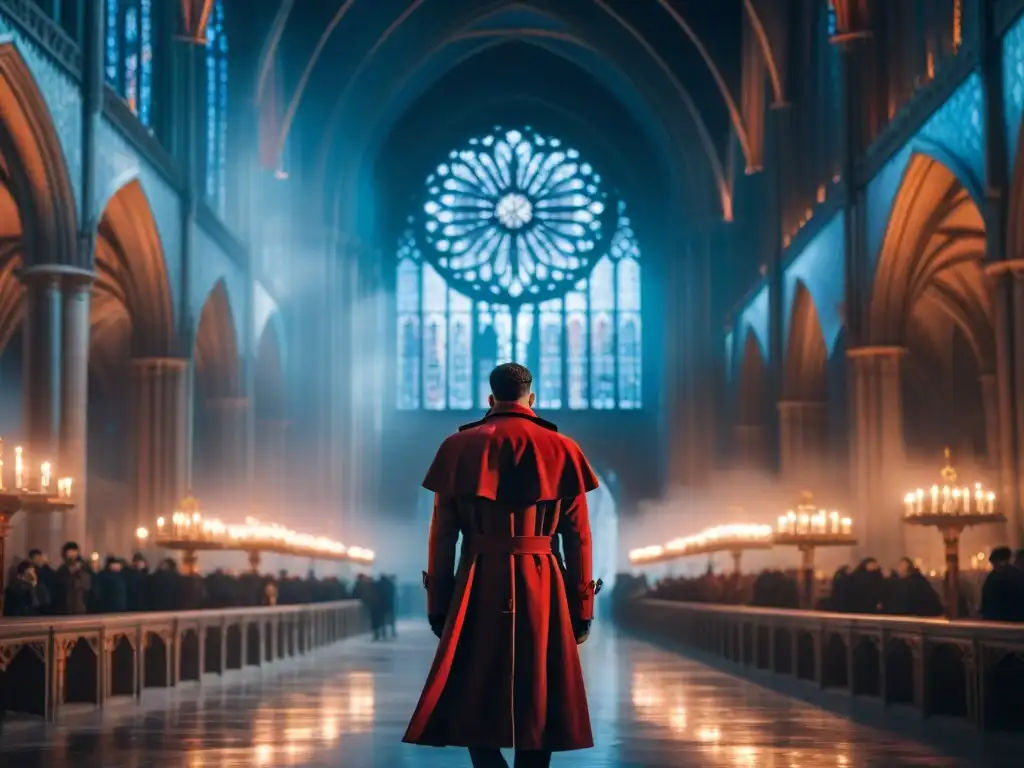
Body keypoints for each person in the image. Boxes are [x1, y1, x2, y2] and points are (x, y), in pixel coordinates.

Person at [403, 363, 598, 768]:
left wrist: (438, 603)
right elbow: (578, 538)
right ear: (533, 399)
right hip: (542, 583)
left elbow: (442, 536)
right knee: (541, 686)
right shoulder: (564, 449)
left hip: (478, 580)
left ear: (490, 400)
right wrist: (582, 609)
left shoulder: (457, 448)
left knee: (475, 683)